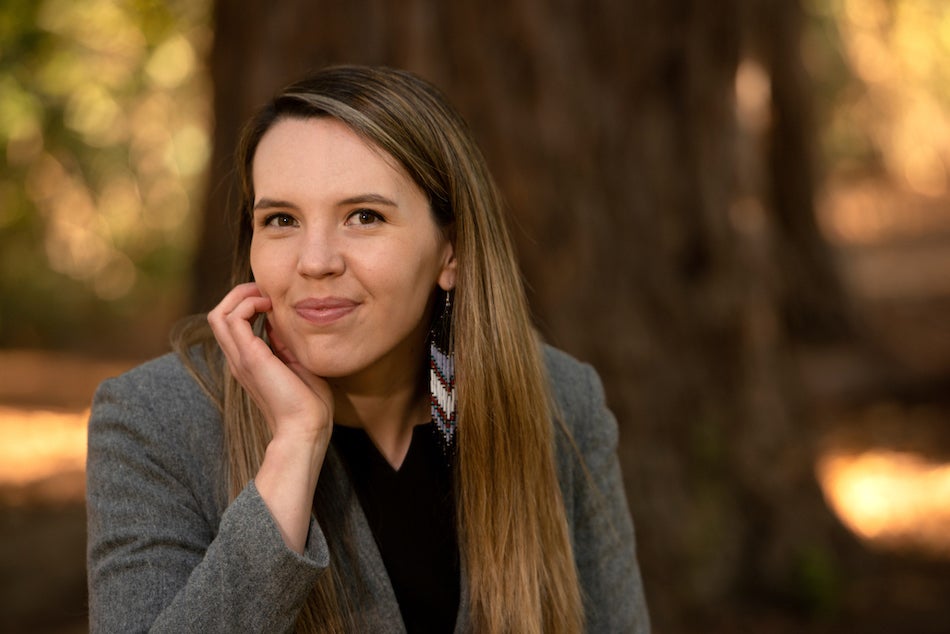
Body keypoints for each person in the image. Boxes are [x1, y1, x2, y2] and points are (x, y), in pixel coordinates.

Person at [86, 65, 649, 633]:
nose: (315, 260)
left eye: (364, 216)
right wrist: (295, 447)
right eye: (281, 219)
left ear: (450, 252)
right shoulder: (154, 419)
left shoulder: (562, 401)